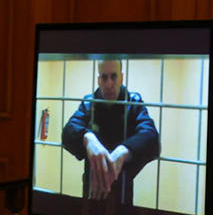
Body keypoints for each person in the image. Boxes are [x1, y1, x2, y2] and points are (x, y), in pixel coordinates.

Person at [61, 57, 160, 205]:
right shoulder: (89, 103)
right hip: (91, 190)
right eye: (104, 77)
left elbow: (152, 138)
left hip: (122, 192)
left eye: (114, 76)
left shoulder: (133, 102)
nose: (109, 84)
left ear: (121, 78)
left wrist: (123, 151)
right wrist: (87, 138)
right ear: (98, 80)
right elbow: (67, 133)